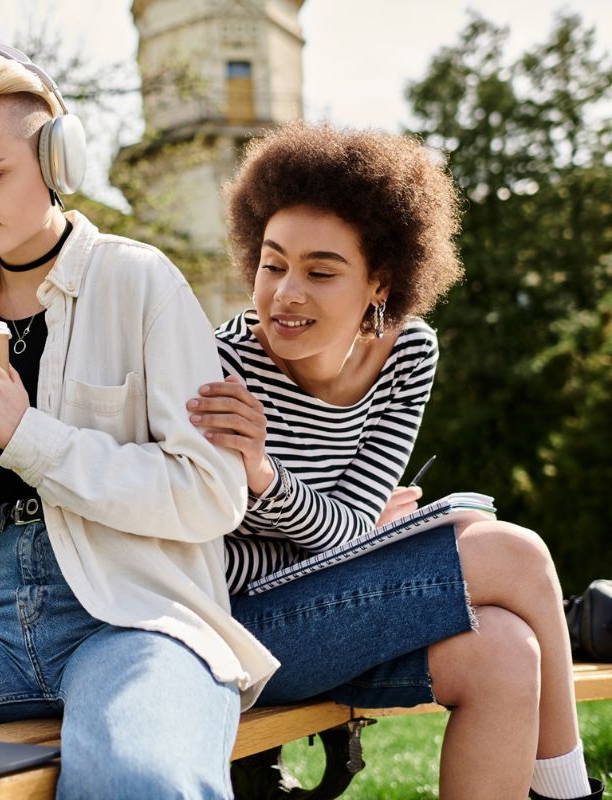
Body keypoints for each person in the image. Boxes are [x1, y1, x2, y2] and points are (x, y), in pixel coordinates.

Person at [0, 44, 278, 799]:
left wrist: (26, 435)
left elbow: (211, 496)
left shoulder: (141, 281)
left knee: (138, 777)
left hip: (140, 620)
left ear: (59, 161)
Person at [187, 122, 602, 800]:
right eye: (272, 263)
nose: (285, 294)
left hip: (335, 612)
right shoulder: (217, 370)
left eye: (321, 271)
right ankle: (570, 794)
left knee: (505, 650)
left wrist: (302, 503)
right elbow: (294, 537)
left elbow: (349, 529)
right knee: (517, 554)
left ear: (380, 283)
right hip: (236, 628)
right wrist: (270, 480)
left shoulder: (409, 354)